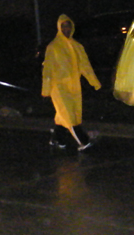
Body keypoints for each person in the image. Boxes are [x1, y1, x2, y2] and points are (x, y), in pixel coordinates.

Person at [41, 14, 101, 151]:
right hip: (58, 87)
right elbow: (48, 70)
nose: (66, 29)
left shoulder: (77, 47)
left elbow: (85, 66)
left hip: (74, 87)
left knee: (66, 114)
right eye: (63, 27)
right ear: (59, 28)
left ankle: (57, 139)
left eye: (68, 26)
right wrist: (46, 90)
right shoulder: (53, 47)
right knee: (69, 115)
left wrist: (94, 82)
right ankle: (83, 141)